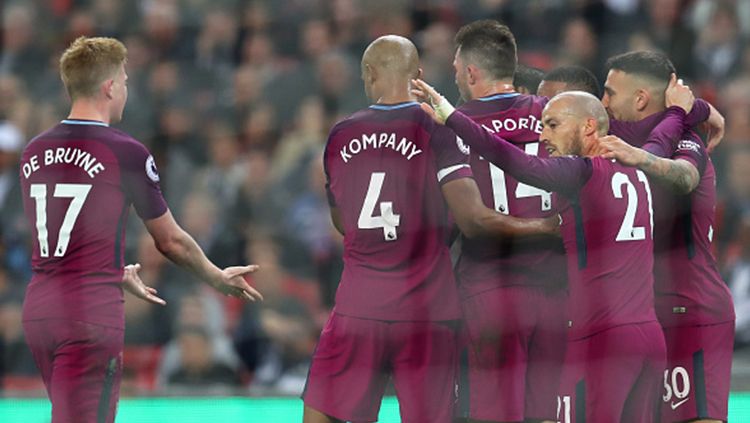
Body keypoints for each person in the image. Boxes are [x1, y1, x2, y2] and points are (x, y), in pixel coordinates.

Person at [302, 35, 558, 423]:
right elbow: (471, 219)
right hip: (427, 308)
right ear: (418, 74)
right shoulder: (438, 126)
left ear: (369, 73)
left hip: (359, 305)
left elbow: (342, 221)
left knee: (324, 413)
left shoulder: (341, 134)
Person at [413, 79, 689, 422]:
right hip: (649, 337)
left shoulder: (582, 173)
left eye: (553, 125)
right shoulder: (642, 163)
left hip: (601, 341)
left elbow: (518, 163)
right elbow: (662, 138)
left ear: (589, 126)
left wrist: (451, 116)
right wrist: (680, 110)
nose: (543, 136)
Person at [19, 36, 263, 423]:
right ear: (109, 87)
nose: (126, 90)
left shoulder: (34, 150)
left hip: (40, 311)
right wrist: (216, 277)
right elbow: (170, 241)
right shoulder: (124, 151)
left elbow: (62, 237)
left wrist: (111, 270)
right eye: (125, 81)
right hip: (89, 313)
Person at [600, 50, 734, 423]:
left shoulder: (686, 141)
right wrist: (699, 108)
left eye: (610, 92)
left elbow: (684, 175)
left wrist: (691, 113)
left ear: (640, 99)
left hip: (692, 310)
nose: (603, 102)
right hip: (647, 316)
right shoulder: (627, 134)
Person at [449, 20, 567, 423]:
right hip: (555, 288)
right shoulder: (553, 114)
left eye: (456, 68)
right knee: (547, 414)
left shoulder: (452, 126)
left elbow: (454, 221)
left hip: (490, 291)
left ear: (471, 72)